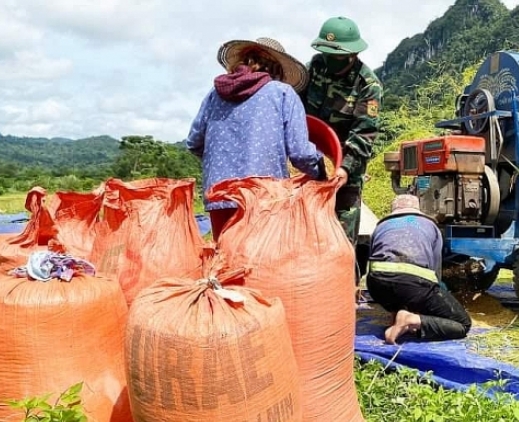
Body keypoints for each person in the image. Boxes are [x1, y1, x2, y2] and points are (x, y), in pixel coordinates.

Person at [185, 37, 326, 241]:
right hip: (265, 197)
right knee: (261, 265)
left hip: (220, 195)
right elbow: (300, 153)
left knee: (226, 263)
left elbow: (194, 142)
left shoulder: (214, 94)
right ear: (277, 70)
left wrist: (222, 160)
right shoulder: (282, 93)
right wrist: (321, 172)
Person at [300, 16, 383, 250]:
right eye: (326, 54)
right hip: (308, 165)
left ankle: (348, 285)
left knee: (341, 240)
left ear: (351, 54)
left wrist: (345, 168)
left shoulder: (367, 85)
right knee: (305, 236)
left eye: (335, 56)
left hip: (346, 172)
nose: (329, 61)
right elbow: (296, 105)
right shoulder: (315, 66)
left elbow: (365, 133)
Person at [365, 194, 471, 344]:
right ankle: (410, 319)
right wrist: (436, 298)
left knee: (400, 287)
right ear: (417, 209)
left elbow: (373, 260)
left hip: (377, 287)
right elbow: (435, 272)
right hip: (412, 286)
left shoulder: (380, 226)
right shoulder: (430, 226)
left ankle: (396, 313)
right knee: (462, 324)